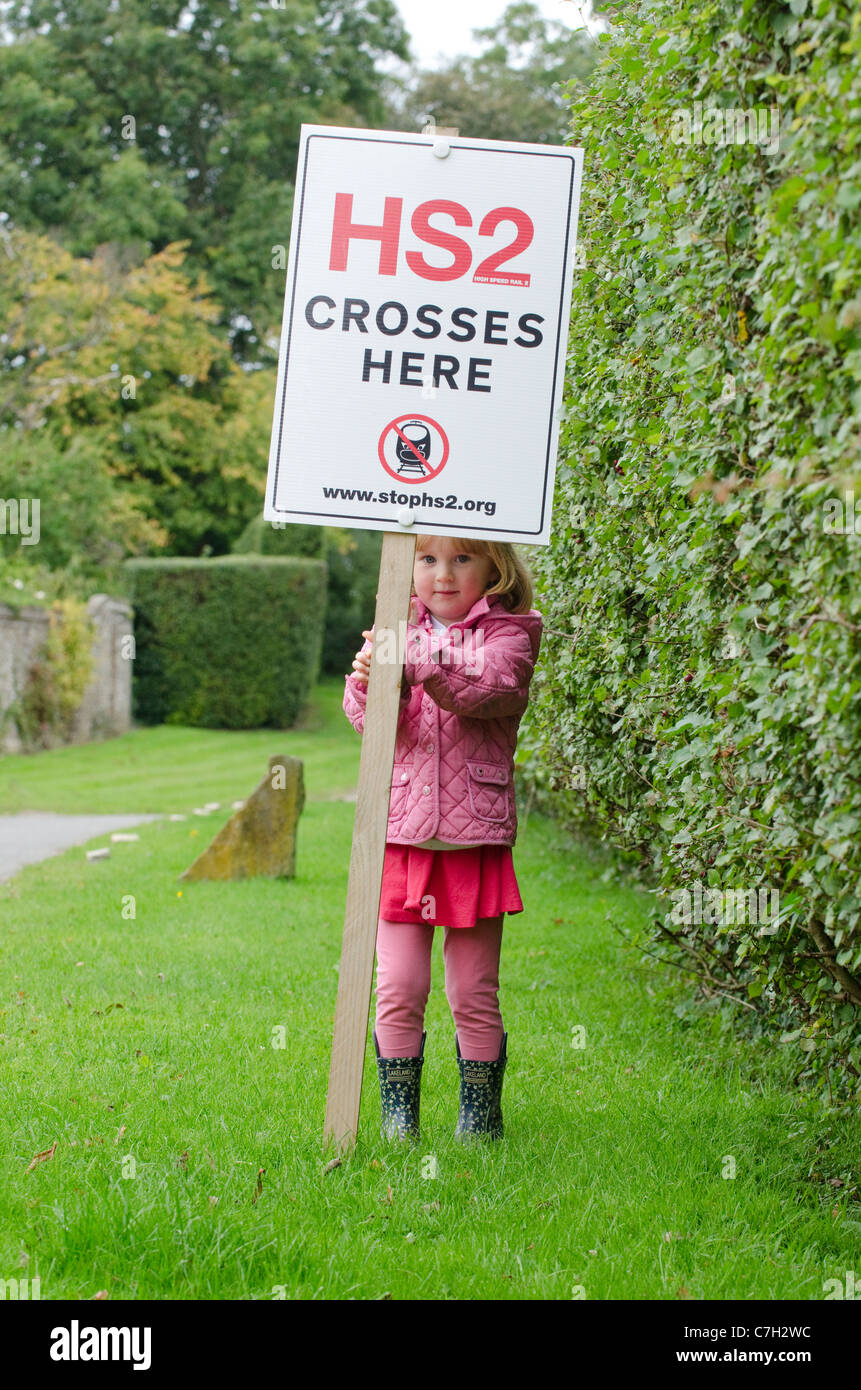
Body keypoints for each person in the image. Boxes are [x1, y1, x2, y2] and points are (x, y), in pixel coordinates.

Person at [342, 533, 543, 1144]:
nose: (443, 574)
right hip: (403, 839)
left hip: (470, 845)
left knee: (471, 990)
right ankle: (399, 1117)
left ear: (495, 567)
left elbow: (492, 689)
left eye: (462, 558)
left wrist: (416, 653)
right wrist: (371, 680)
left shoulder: (513, 633)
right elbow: (370, 723)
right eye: (427, 559)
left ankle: (479, 1118)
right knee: (399, 986)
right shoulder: (394, 626)